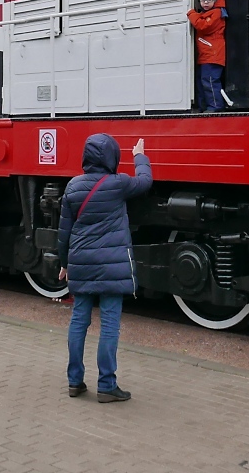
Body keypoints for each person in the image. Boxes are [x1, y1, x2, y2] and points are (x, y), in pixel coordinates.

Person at [57, 133, 152, 403]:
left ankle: (75, 381)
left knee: (79, 321)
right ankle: (107, 385)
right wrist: (139, 156)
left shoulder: (73, 186)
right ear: (112, 157)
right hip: (112, 266)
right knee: (109, 324)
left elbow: (64, 232)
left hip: (82, 264)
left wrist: (64, 263)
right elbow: (145, 181)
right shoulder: (118, 183)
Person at [187, 0, 228, 112]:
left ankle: (215, 107)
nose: (205, 2)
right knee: (202, 81)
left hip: (213, 55)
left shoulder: (217, 13)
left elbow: (203, 26)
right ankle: (203, 107)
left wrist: (191, 13)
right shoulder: (208, 13)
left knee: (210, 81)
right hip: (207, 55)